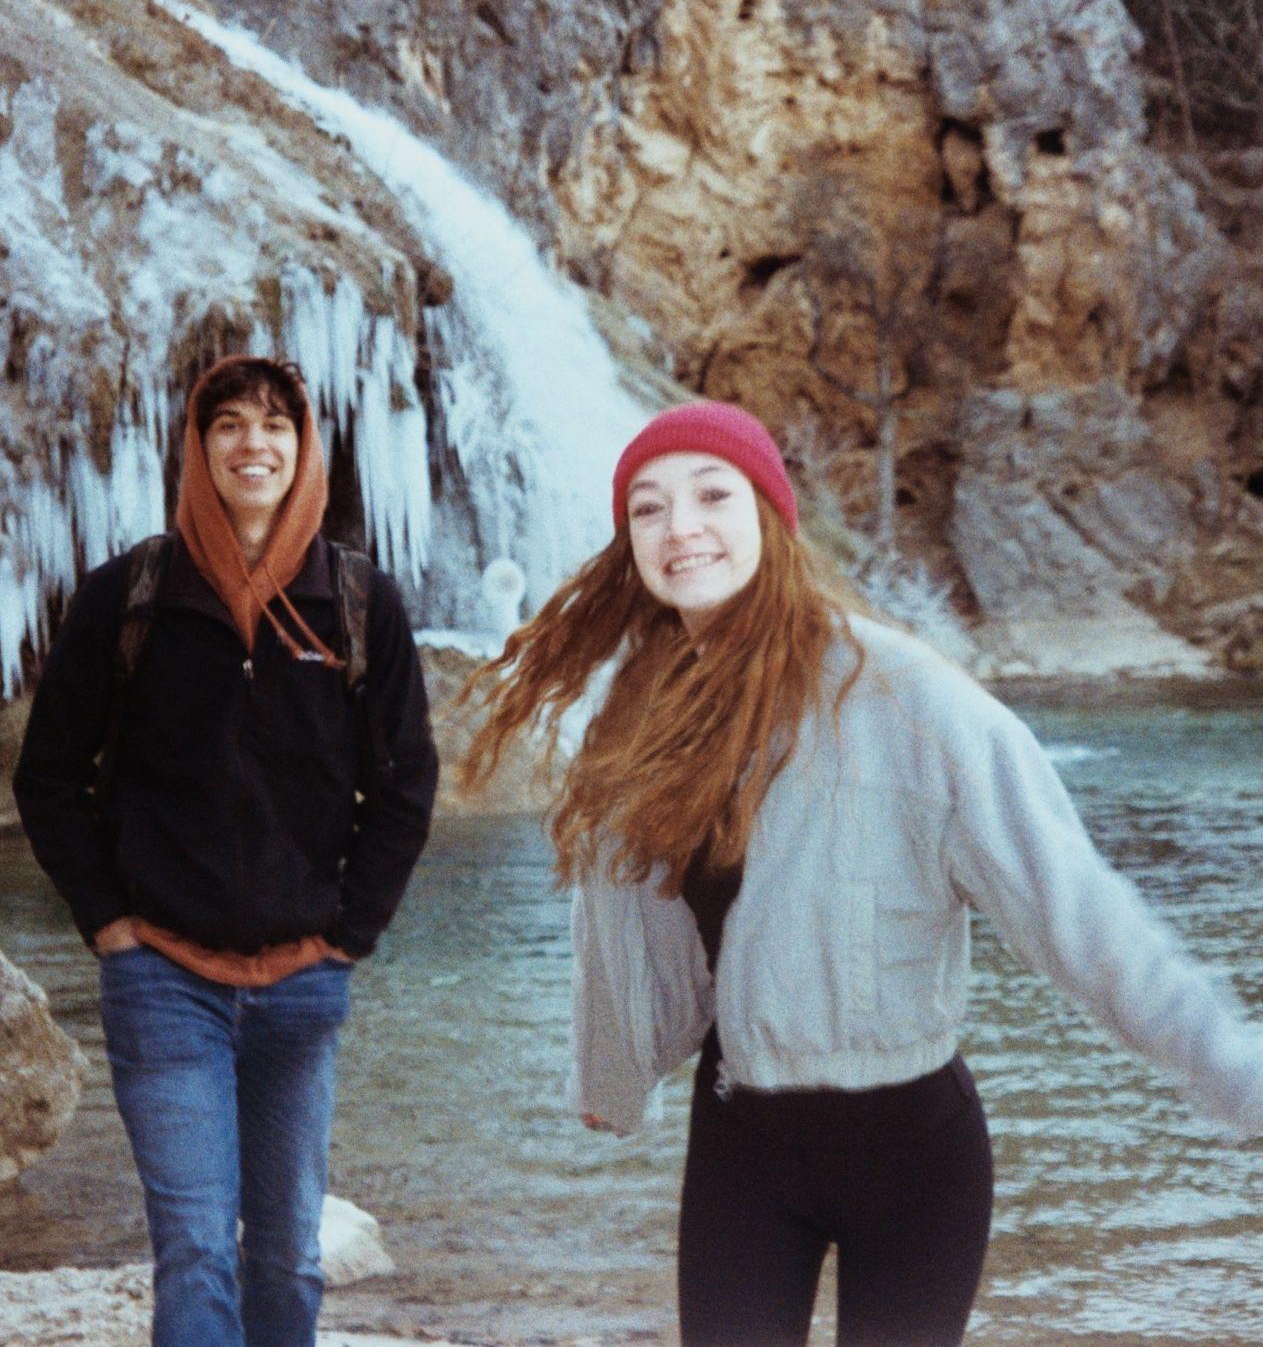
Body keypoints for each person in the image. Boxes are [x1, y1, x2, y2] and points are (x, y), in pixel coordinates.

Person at [461, 399, 1263, 1347]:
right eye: (647, 507)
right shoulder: (641, 718)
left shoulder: (909, 700)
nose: (679, 527)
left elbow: (1080, 916)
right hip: (741, 1147)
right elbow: (634, 923)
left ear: (767, 514)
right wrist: (611, 1072)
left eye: (710, 495)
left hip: (912, 1161)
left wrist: (1238, 1073)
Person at [14, 355, 438, 1347]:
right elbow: (47, 776)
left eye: (276, 425)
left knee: (287, 1256)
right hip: (163, 982)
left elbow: (408, 782)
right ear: (198, 448)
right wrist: (106, 919)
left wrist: (350, 932)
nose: (255, 444)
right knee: (197, 1249)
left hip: (303, 983)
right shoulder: (132, 596)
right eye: (231, 425)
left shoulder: (359, 604)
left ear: (305, 448)